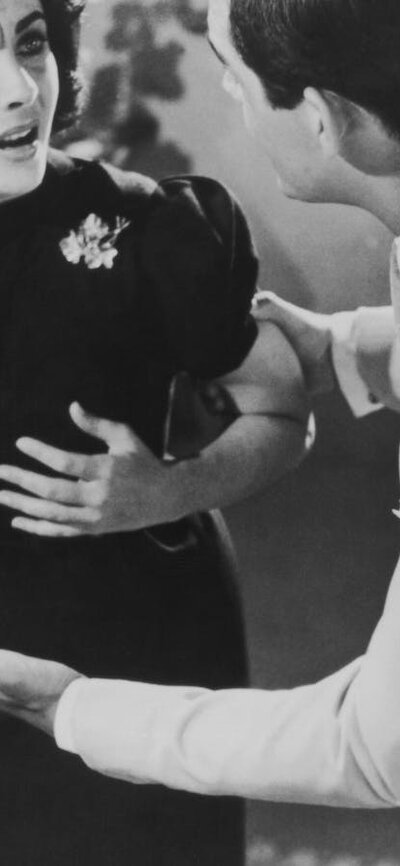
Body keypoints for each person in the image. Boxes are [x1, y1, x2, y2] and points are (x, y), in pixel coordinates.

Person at [2, 0, 400, 814]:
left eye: (31, 44)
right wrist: (349, 344)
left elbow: (371, 752)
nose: (16, 91)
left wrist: (170, 487)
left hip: (122, 636)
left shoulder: (150, 227)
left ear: (321, 120)